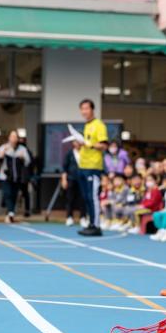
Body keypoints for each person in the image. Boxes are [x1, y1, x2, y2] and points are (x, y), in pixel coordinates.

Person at [76, 99, 108, 236]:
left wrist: (88, 144)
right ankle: (91, 223)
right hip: (83, 166)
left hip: (93, 167)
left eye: (86, 108)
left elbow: (104, 145)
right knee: (86, 197)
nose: (84, 111)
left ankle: (96, 226)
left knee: (93, 196)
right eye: (82, 109)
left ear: (92, 109)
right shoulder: (86, 125)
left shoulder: (99, 125)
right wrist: (81, 144)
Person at [0, 130, 31, 223]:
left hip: (17, 176)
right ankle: (10, 212)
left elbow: (28, 161)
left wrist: (23, 158)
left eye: (15, 136)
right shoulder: (4, 147)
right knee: (7, 193)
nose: (14, 138)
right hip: (5, 176)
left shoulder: (22, 149)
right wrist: (2, 154)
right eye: (12, 136)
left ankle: (10, 213)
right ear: (9, 138)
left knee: (14, 195)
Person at [61, 140, 87, 227]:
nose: (77, 143)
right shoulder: (69, 153)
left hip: (83, 179)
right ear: (73, 143)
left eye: (79, 141)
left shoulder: (85, 152)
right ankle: (69, 217)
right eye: (76, 141)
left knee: (83, 199)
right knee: (70, 199)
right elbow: (64, 168)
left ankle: (83, 217)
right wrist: (64, 179)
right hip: (71, 179)